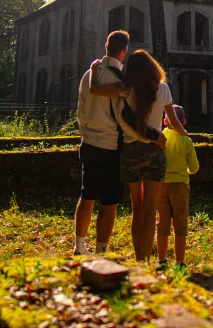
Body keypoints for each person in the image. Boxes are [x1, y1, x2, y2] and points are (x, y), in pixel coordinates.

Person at [74, 31, 165, 257]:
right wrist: (154, 135)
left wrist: (87, 130)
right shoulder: (121, 80)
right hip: (113, 147)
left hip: (89, 142)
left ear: (106, 46)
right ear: (124, 51)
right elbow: (125, 115)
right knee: (109, 203)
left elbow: (81, 109)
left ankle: (79, 246)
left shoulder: (88, 75)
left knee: (86, 197)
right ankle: (100, 252)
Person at [90, 50, 187, 261]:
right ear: (153, 67)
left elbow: (95, 90)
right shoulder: (163, 89)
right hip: (156, 152)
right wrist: (185, 136)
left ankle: (139, 258)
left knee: (138, 208)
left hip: (131, 151)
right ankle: (147, 261)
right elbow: (174, 122)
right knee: (151, 209)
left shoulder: (126, 88)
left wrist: (93, 71)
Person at [156, 105, 199, 270]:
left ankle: (161, 260)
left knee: (162, 222)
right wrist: (185, 171)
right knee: (180, 224)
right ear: (184, 122)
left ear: (165, 121)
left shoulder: (159, 138)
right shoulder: (186, 141)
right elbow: (194, 168)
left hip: (161, 184)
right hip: (180, 185)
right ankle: (179, 262)